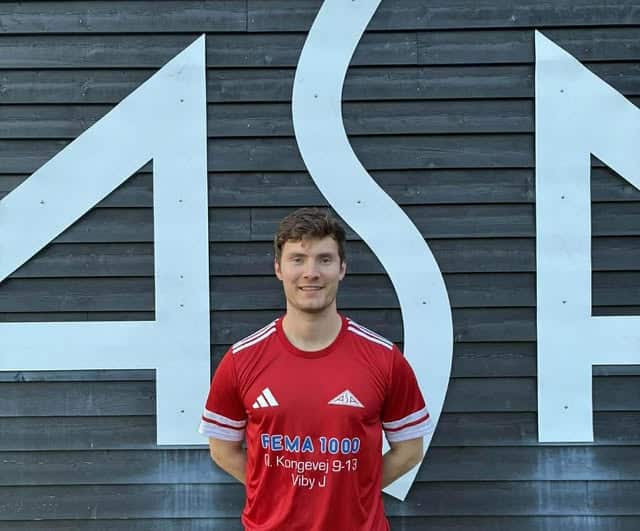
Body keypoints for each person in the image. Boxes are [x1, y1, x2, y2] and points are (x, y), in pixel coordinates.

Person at [199, 207, 433, 531]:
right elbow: (222, 450)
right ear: (278, 268)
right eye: (298, 259)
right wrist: (275, 488)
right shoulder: (242, 358)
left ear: (342, 268)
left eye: (324, 259)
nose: (311, 273)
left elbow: (409, 451)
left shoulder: (384, 358)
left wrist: (354, 490)